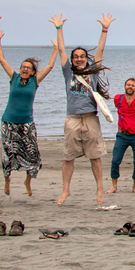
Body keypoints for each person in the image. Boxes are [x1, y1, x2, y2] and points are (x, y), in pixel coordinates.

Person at [54, 13, 114, 205]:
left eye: (82, 56)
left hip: (90, 119)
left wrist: (105, 29)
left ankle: (99, 191)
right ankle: (65, 190)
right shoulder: (68, 71)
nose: (79, 59)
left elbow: (101, 49)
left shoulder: (92, 70)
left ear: (86, 59)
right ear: (72, 60)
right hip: (72, 119)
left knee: (95, 157)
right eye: (76, 57)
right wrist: (59, 28)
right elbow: (61, 49)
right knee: (68, 157)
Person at [0, 30, 59, 196]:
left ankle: (28, 182)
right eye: (22, 67)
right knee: (8, 154)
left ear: (32, 72)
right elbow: (2, 60)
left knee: (32, 155)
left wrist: (56, 49)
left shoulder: (35, 81)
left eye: (28, 68)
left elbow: (50, 66)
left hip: (26, 124)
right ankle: (7, 180)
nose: (24, 69)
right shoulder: (13, 78)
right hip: (8, 122)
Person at [109, 78, 135, 195]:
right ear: (124, 86)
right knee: (115, 160)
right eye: (128, 85)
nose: (130, 87)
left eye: (133, 85)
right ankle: (114, 186)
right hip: (122, 135)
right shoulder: (118, 99)